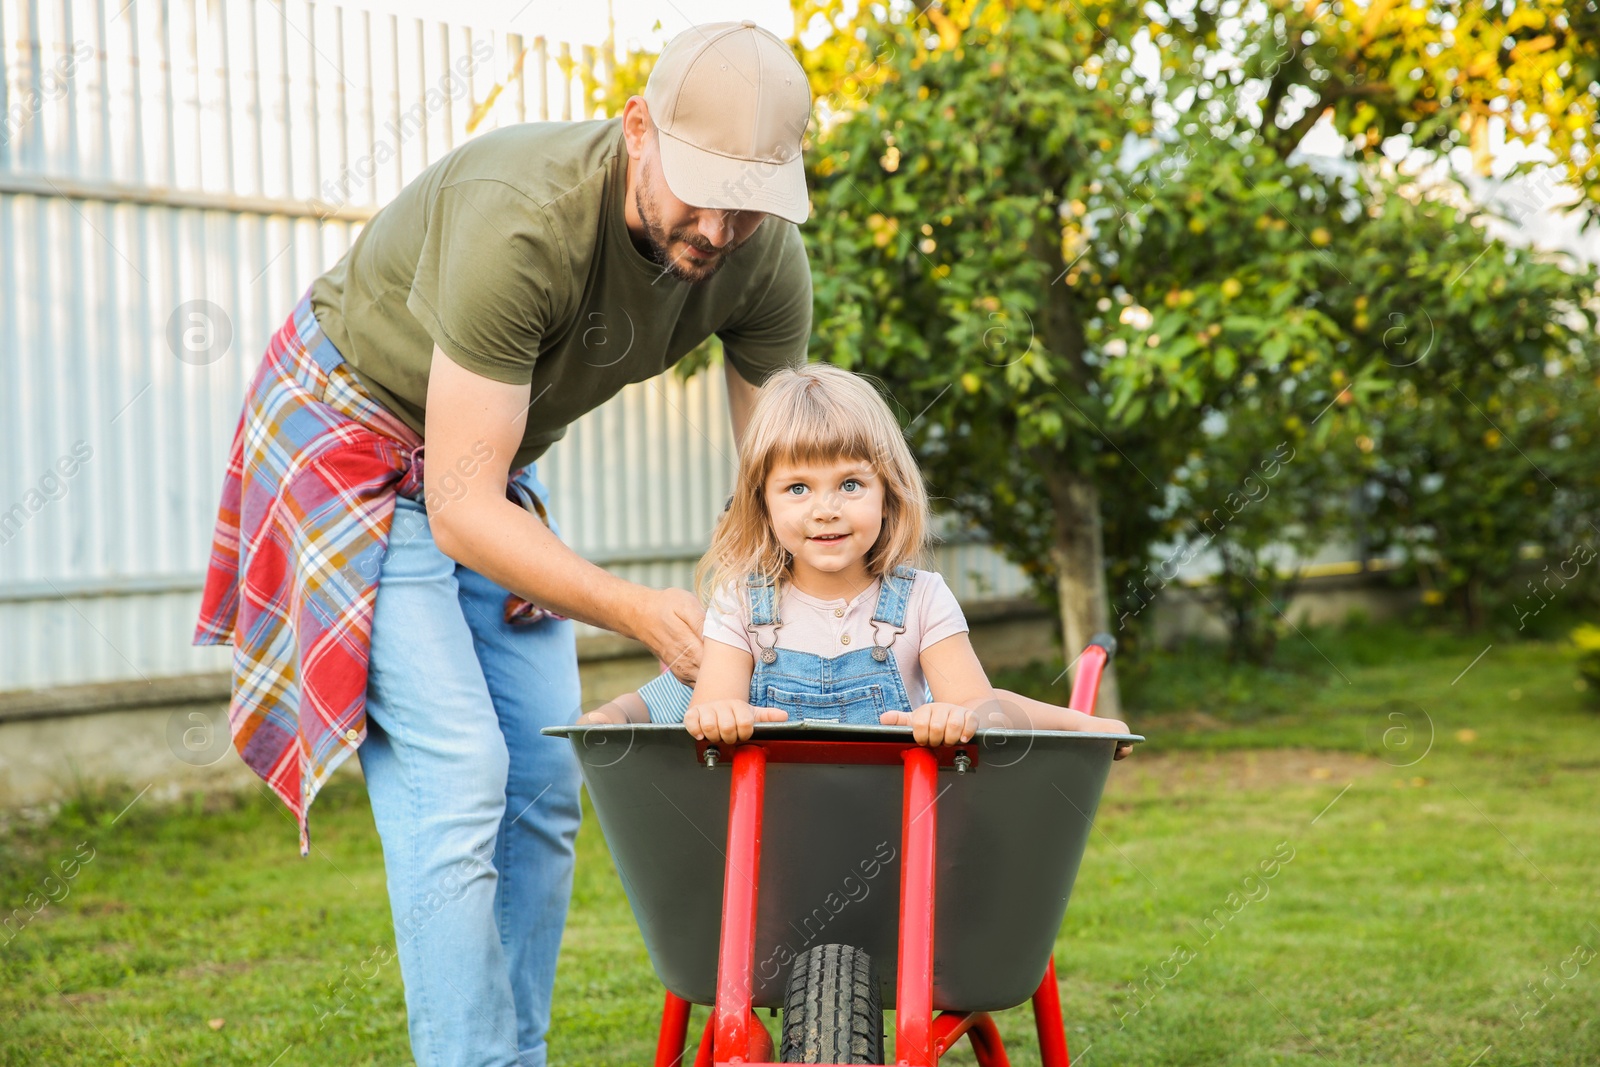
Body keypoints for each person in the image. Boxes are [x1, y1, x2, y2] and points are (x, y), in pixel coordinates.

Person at [193, 21, 816, 1067]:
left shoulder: (762, 265)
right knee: (459, 769)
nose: (716, 225)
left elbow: (780, 488)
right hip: (346, 425)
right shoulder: (522, 219)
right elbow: (463, 510)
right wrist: (639, 610)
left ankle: (507, 1053)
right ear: (638, 130)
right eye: (699, 186)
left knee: (540, 775)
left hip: (476, 457)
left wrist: (783, 617)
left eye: (748, 201)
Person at [580, 364, 1134, 756]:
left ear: (888, 492)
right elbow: (707, 704)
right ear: (762, 503)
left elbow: (982, 707)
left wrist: (959, 716)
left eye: (849, 483)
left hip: (899, 833)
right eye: (797, 488)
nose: (825, 510)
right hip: (770, 831)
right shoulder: (741, 605)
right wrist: (720, 715)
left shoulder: (920, 601)